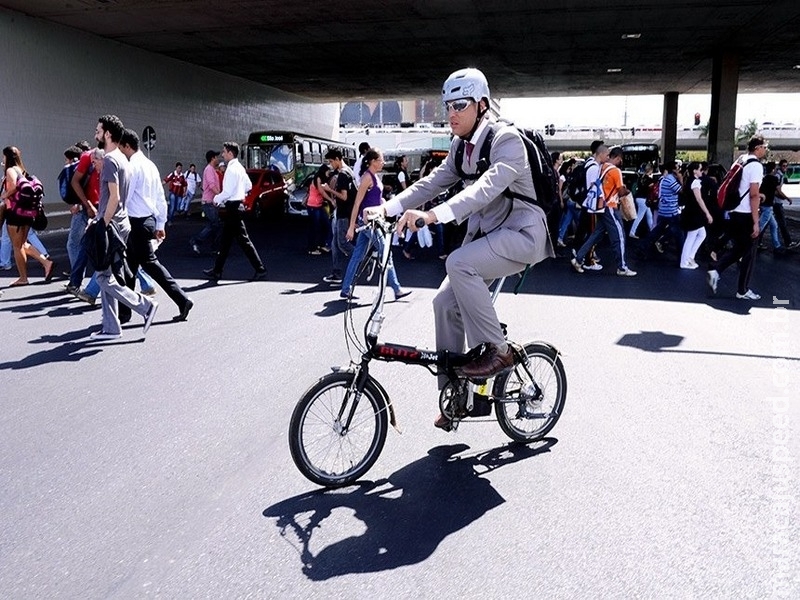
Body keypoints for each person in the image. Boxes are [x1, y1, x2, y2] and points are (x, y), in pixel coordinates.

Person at [367, 68, 554, 429]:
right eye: (447, 105)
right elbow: (433, 182)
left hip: (521, 234)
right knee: (442, 303)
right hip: (488, 236)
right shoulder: (460, 146)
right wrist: (386, 208)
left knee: (459, 263)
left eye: (460, 105)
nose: (451, 112)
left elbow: (485, 188)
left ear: (482, 105)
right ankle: (456, 397)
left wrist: (434, 216)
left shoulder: (506, 140)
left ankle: (498, 351)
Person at [89, 114, 158, 340]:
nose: (96, 134)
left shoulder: (109, 160)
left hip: (111, 225)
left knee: (103, 277)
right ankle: (111, 327)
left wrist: (102, 223)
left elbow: (114, 197)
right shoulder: (122, 159)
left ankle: (145, 306)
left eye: (99, 130)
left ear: (108, 134)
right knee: (106, 274)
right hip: (121, 223)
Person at [119, 129, 194, 321]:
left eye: (120, 147)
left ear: (127, 146)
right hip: (148, 220)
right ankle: (124, 311)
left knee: (147, 264)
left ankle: (182, 299)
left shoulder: (133, 167)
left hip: (136, 222)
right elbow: (161, 198)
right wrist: (160, 223)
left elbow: (125, 197)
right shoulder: (150, 165)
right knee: (130, 267)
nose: (119, 150)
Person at [340, 148, 410, 301]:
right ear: (372, 161)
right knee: (386, 253)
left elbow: (373, 200)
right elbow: (357, 203)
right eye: (380, 159)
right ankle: (397, 288)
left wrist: (383, 203)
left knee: (357, 257)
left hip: (373, 221)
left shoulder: (375, 177)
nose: (383, 162)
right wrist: (352, 226)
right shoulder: (367, 178)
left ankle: (345, 289)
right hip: (368, 222)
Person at [707, 136, 768, 300]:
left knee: (739, 248)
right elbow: (753, 195)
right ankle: (742, 290)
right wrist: (756, 222)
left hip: (733, 211)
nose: (766, 149)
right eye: (764, 146)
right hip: (746, 214)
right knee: (749, 253)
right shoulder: (755, 166)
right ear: (757, 148)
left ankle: (716, 270)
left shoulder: (741, 160)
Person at [202, 141, 266, 281]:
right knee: (226, 241)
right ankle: (217, 270)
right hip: (237, 206)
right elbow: (248, 185)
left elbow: (227, 191)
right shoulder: (240, 167)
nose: (223, 154)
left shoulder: (231, 169)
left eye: (224, 152)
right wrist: (239, 192)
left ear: (230, 153)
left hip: (233, 208)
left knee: (243, 241)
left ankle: (260, 269)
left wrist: (217, 199)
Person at [571, 146, 636, 276]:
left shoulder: (602, 167)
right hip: (611, 207)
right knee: (620, 236)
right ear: (618, 158)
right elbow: (621, 190)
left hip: (600, 206)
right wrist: (628, 191)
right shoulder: (616, 171)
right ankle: (622, 267)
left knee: (596, 235)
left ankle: (578, 259)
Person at [0, 146, 56, 286]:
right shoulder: (22, 170)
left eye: (3, 156)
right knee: (23, 244)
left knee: (17, 246)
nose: (2, 159)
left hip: (15, 213)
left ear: (7, 157)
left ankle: (23, 278)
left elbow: (13, 186)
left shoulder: (10, 170)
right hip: (26, 213)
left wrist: (4, 195)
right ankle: (46, 262)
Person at [321, 147, 356, 285]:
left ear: (337, 159)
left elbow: (344, 196)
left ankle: (361, 260)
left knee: (342, 243)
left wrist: (329, 190)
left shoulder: (343, 174)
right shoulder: (349, 171)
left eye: (331, 161)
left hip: (343, 214)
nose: (330, 164)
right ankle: (337, 273)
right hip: (345, 213)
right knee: (336, 245)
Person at [641, 160, 684, 260]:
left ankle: (642, 248)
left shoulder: (665, 179)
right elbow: (681, 190)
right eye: (677, 168)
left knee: (657, 230)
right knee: (678, 233)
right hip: (671, 211)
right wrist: (681, 179)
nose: (679, 170)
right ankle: (681, 255)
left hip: (664, 210)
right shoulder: (671, 179)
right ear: (673, 169)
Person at [679, 161, 713, 269]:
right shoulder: (695, 182)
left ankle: (690, 257)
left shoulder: (688, 181)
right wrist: (707, 213)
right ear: (694, 171)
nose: (701, 171)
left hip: (691, 212)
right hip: (694, 213)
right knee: (691, 237)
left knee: (701, 234)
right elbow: (699, 199)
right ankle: (684, 262)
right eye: (699, 169)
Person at [190, 150, 223, 255]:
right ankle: (196, 241)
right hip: (208, 203)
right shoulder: (209, 170)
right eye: (216, 157)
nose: (218, 159)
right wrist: (221, 196)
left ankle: (214, 248)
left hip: (212, 203)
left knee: (214, 225)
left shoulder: (212, 170)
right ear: (212, 158)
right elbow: (212, 186)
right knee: (214, 224)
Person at [757, 161, 787, 254]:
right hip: (768, 206)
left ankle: (777, 246)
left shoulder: (764, 178)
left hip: (763, 204)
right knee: (759, 227)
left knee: (774, 225)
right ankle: (748, 245)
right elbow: (777, 191)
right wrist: (786, 198)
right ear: (773, 169)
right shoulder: (773, 179)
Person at [305, 164, 331, 255]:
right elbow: (322, 192)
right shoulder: (318, 179)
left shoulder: (322, 179)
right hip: (313, 206)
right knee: (314, 227)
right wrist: (331, 200)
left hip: (319, 206)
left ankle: (321, 244)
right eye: (328, 171)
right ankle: (311, 248)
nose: (329, 173)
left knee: (326, 225)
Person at [630, 162, 656, 239]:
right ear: (650, 170)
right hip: (644, 199)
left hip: (638, 198)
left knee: (649, 215)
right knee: (639, 216)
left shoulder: (641, 178)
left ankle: (652, 231)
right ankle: (632, 231)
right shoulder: (650, 180)